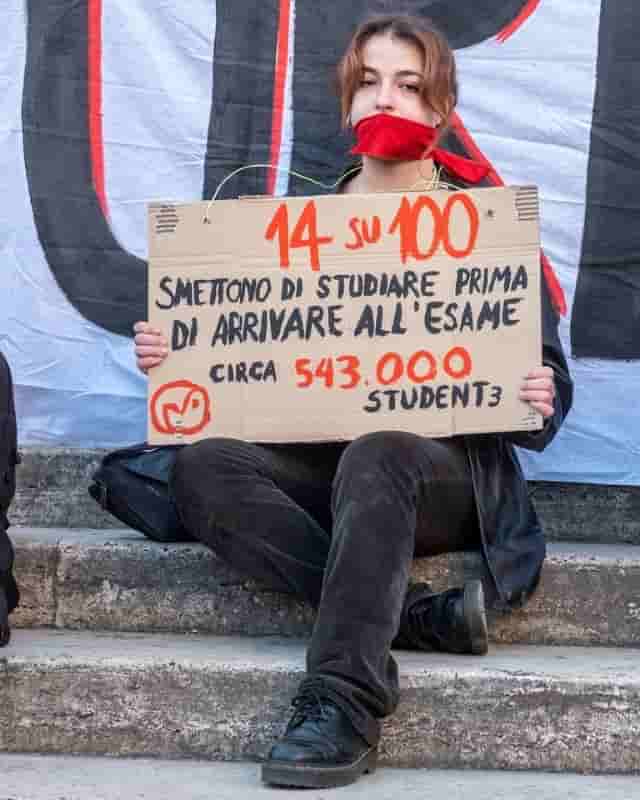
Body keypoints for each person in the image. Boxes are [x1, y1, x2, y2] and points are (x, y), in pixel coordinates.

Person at [133, 15, 572, 788]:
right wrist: (183, 356)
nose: (386, 99)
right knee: (200, 466)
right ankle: (411, 618)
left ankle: (342, 698)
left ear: (440, 110)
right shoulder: (285, 232)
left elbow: (545, 391)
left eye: (408, 85)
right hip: (321, 469)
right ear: (346, 104)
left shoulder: (488, 229)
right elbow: (238, 366)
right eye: (369, 81)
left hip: (434, 474)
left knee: (381, 449)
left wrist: (538, 392)